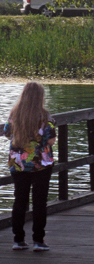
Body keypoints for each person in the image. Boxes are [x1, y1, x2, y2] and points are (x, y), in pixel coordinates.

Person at [3, 82, 56, 251]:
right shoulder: (45, 116)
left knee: (20, 199)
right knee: (39, 202)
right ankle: (38, 241)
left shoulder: (15, 114)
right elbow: (50, 139)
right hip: (40, 164)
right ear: (40, 97)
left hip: (18, 164)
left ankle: (18, 240)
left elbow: (7, 133)